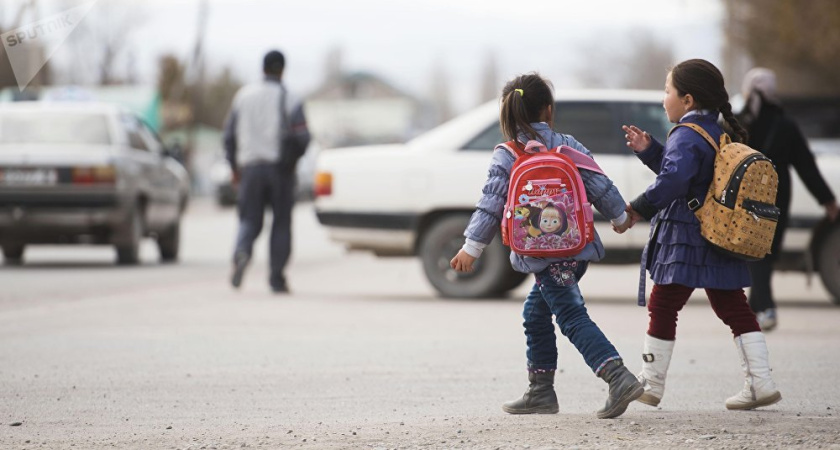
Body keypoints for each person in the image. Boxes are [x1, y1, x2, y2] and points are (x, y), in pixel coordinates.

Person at [449, 73, 642, 419]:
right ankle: (541, 392)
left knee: (569, 314)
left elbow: (490, 204)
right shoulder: (568, 146)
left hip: (539, 253)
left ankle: (617, 377)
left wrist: (471, 247)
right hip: (574, 248)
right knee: (535, 313)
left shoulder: (507, 154)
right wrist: (620, 218)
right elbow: (600, 185)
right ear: (548, 110)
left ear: (507, 115)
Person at [623, 59, 782, 410]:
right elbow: (688, 172)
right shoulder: (713, 129)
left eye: (668, 92)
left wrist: (637, 207)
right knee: (733, 306)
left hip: (688, 234)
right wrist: (650, 151)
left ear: (688, 100)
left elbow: (676, 180)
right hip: (717, 231)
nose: (664, 99)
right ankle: (761, 382)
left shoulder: (684, 133)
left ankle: (651, 383)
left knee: (663, 303)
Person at [738, 67, 839, 331]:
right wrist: (827, 200)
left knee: (754, 253)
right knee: (766, 254)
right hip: (778, 198)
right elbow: (806, 166)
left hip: (746, 198)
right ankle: (755, 310)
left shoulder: (740, 123)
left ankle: (765, 308)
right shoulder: (786, 125)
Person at [222, 50, 311, 293]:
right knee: (281, 224)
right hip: (280, 171)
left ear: (262, 69)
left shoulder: (243, 97)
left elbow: (228, 137)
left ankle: (242, 251)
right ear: (282, 70)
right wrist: (291, 162)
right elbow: (303, 138)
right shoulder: (290, 98)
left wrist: (234, 168)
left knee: (249, 219)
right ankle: (276, 277)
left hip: (249, 169)